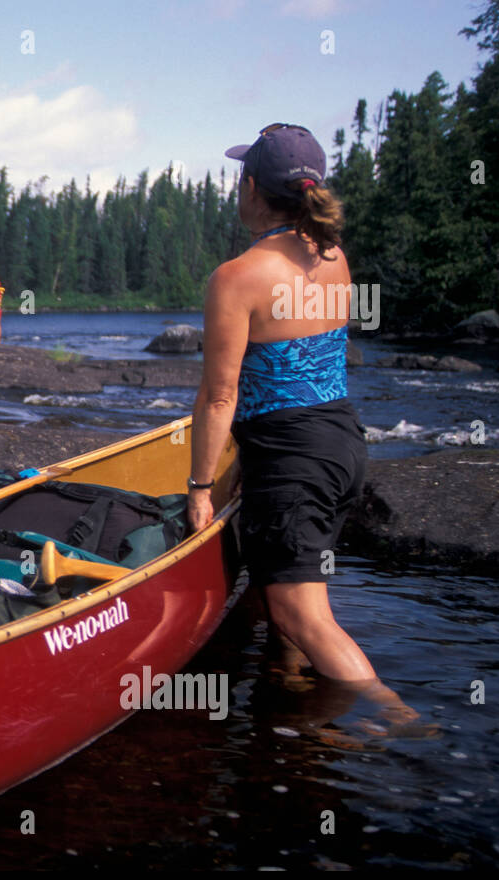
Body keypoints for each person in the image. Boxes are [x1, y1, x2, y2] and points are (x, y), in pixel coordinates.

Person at [187, 122, 417, 722]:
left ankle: (405, 729)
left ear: (253, 186)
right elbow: (293, 370)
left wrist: (200, 488)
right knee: (285, 589)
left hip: (295, 459)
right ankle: (293, 702)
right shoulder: (333, 256)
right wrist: (252, 465)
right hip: (340, 442)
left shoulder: (236, 277)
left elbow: (219, 397)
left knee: (300, 614)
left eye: (240, 177)